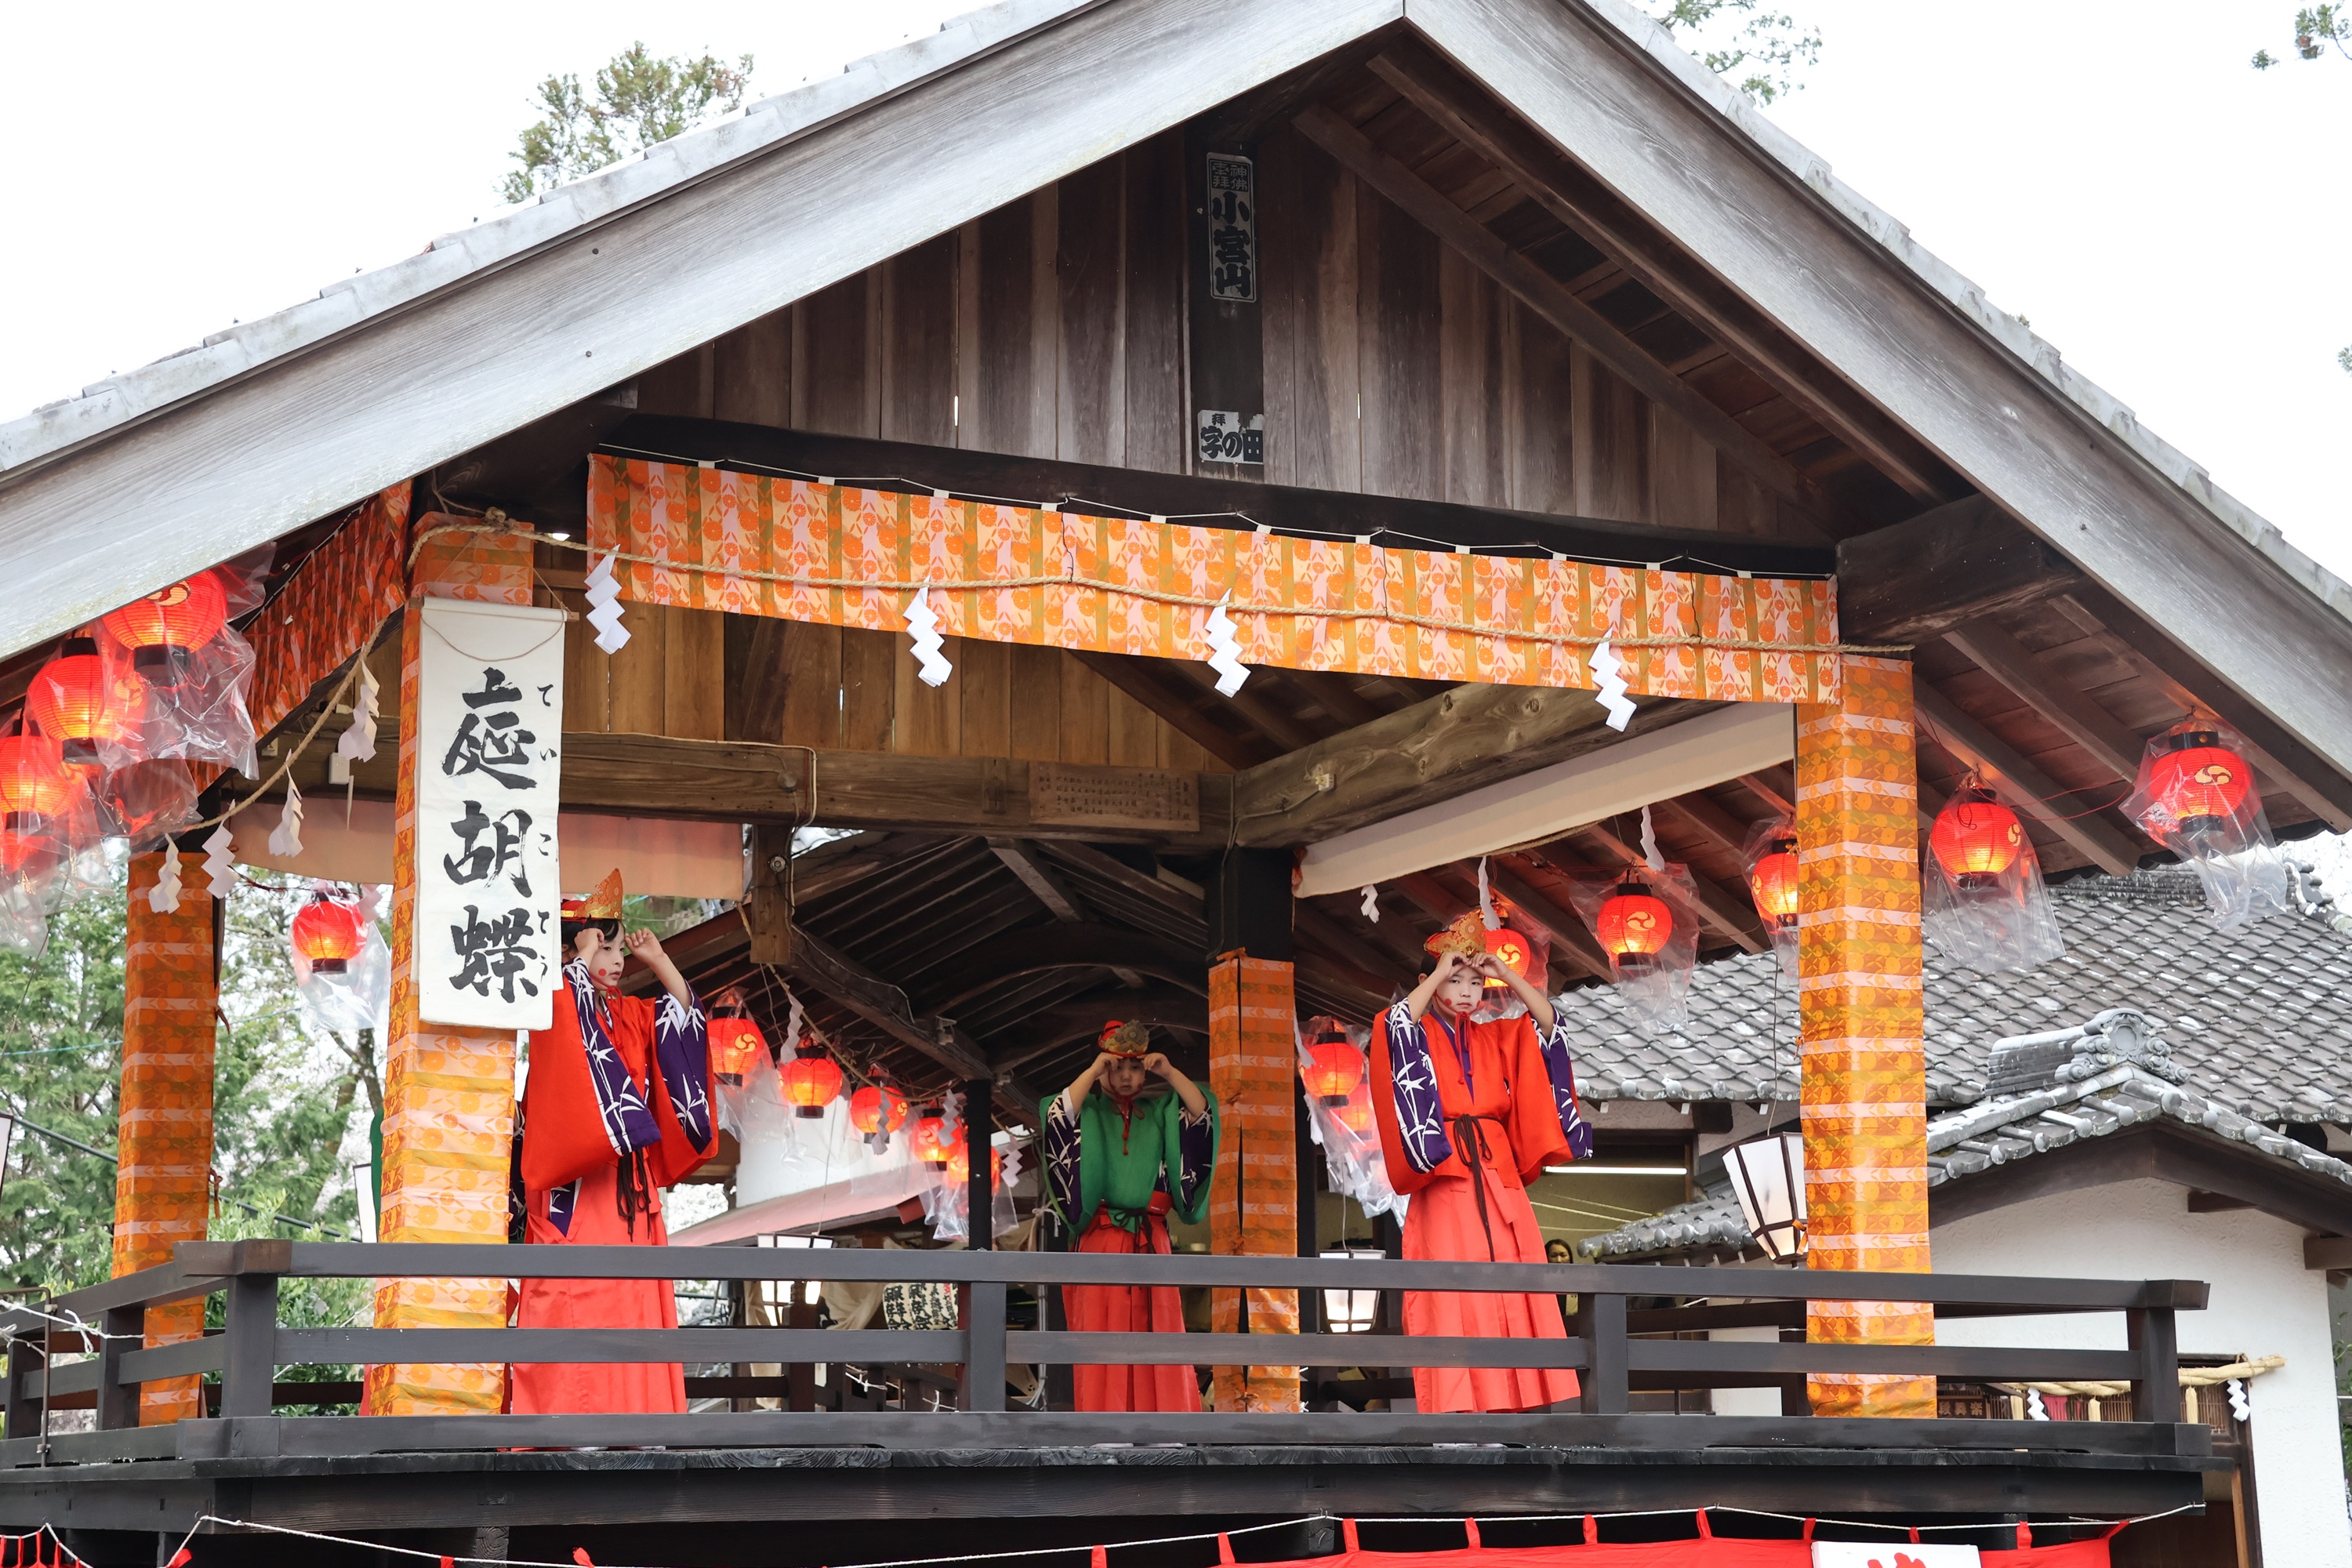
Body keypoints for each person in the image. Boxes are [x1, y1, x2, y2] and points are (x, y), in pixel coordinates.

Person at [1370, 913, 1594, 1414]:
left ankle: (1516, 1408)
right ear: (1432, 980)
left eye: (1475, 982)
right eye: (1456, 980)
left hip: (1498, 1173)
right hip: (1446, 1170)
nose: (1467, 991)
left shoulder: (1495, 1036)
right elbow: (1392, 1027)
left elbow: (1549, 1026)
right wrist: (1438, 972)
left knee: (1515, 1280)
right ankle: (1457, 1413)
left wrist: (1508, 974)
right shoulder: (1415, 1031)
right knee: (1453, 1290)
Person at [510, 870, 715, 1414]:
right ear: (574, 949)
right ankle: (572, 1426)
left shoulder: (630, 1013)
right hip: (578, 1181)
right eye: (605, 946)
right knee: (581, 1293)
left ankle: (641, 1421)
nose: (617, 958)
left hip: (630, 1184)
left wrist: (660, 961)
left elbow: (684, 1021)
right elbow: (563, 1027)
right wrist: (576, 960)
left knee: (634, 1296)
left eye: (619, 947)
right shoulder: (554, 998)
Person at [1041, 1020, 1219, 1412]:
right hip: (1101, 1234)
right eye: (1116, 1067)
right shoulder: (1088, 1109)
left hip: (1151, 1234)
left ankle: (1164, 1425)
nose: (1125, 1076)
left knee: (1160, 1324)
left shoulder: (1158, 1113)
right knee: (1101, 1328)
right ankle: (1106, 1425)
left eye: (1134, 1067)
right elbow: (1058, 1115)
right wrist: (1092, 1070)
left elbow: (1201, 1114)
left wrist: (1170, 1072)